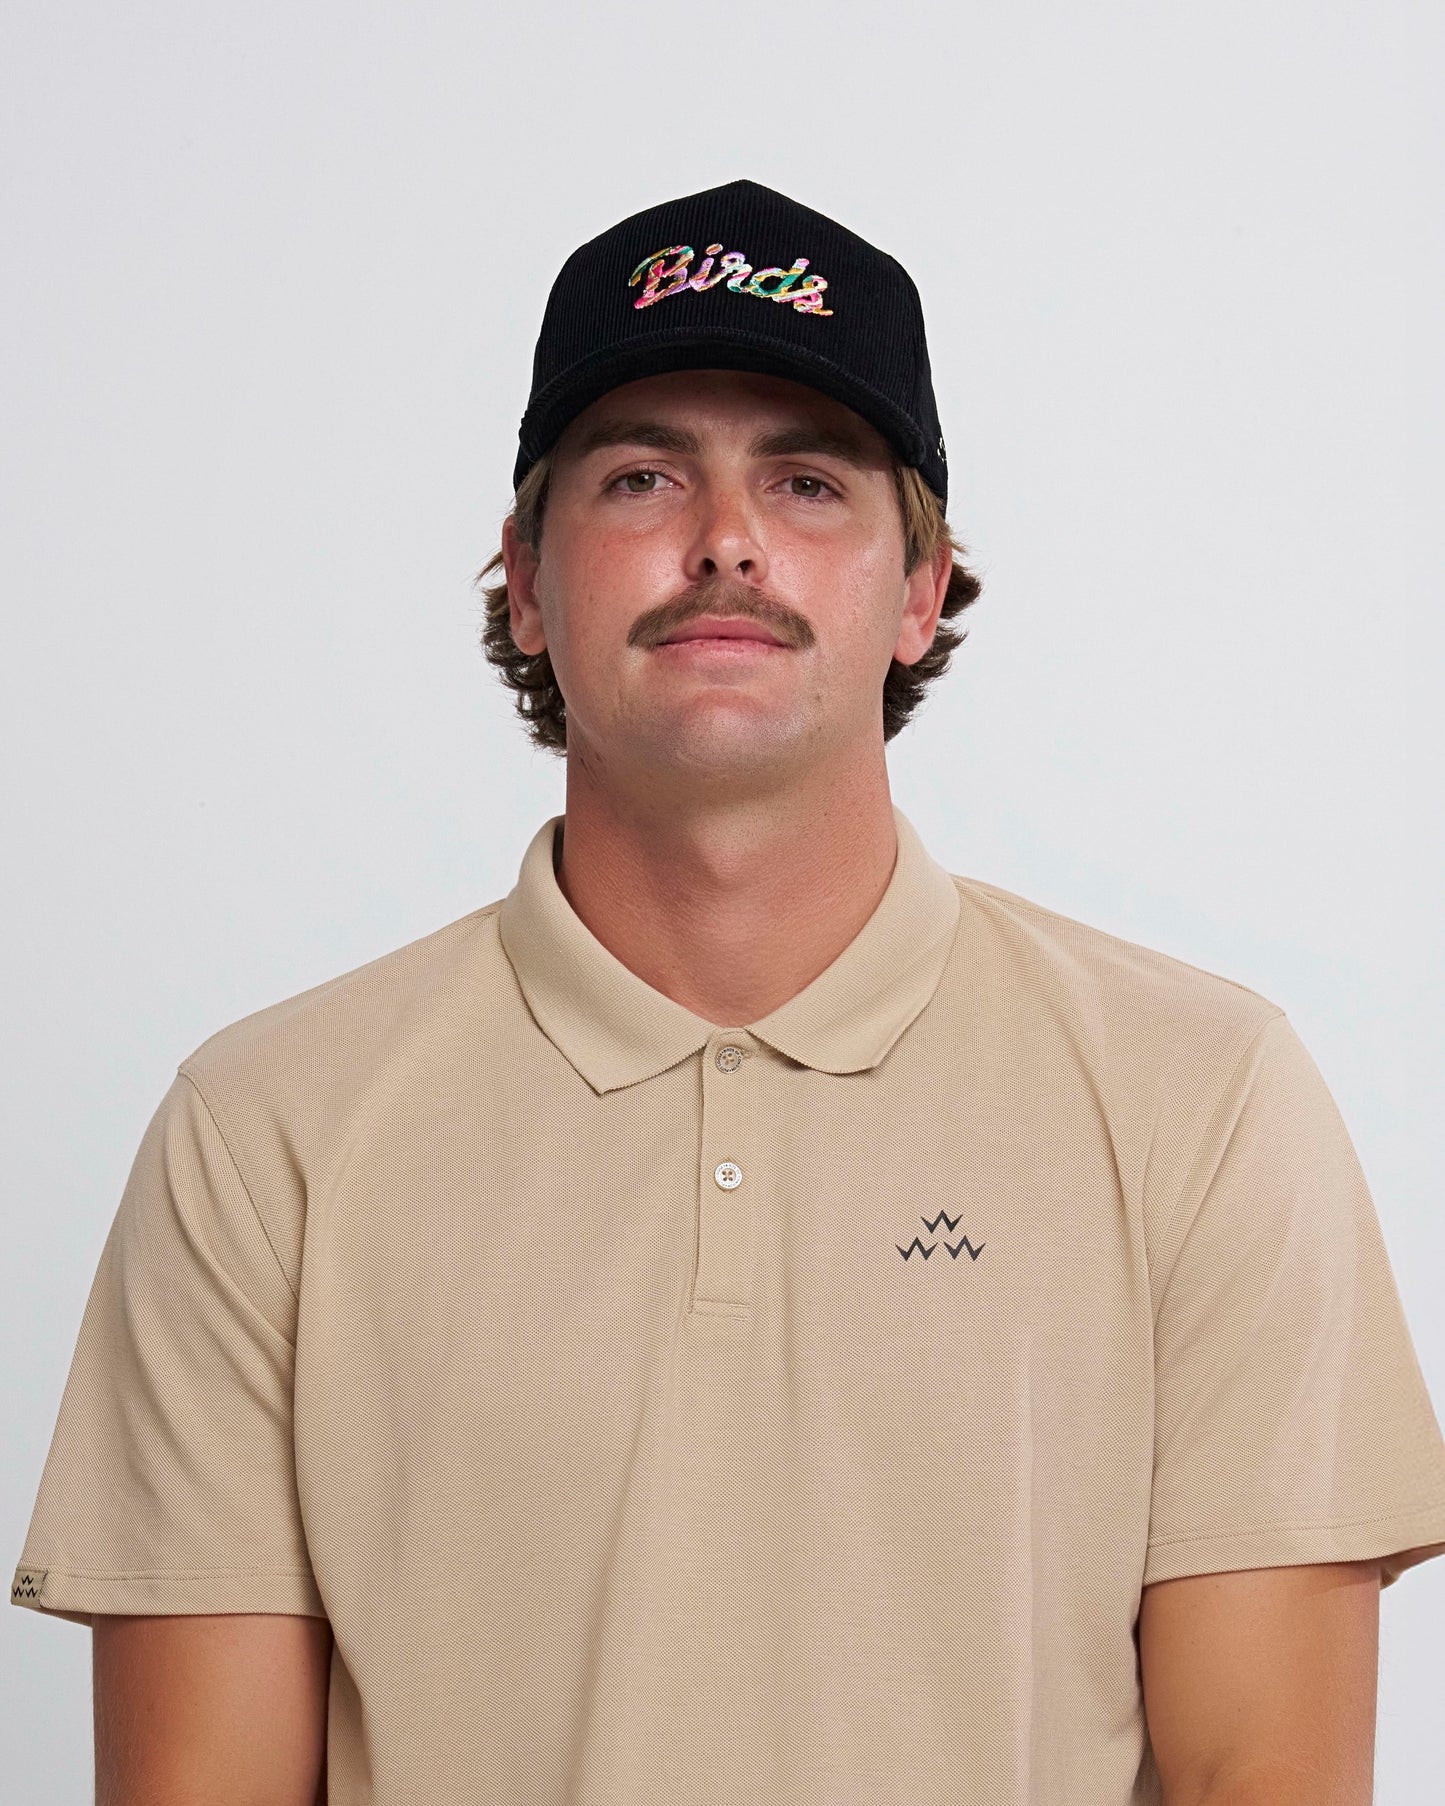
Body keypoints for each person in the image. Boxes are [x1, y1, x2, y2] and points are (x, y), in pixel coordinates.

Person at [12, 176, 1445, 1806]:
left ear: (920, 587)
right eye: (641, 475)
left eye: (807, 481)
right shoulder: (266, 1129)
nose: (726, 540)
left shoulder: (1200, 1093)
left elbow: (1264, 1774)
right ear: (527, 582)